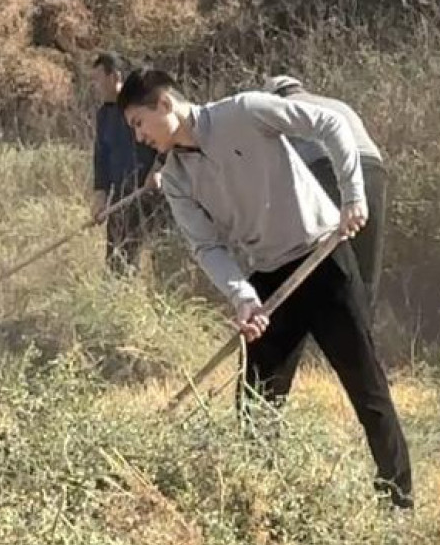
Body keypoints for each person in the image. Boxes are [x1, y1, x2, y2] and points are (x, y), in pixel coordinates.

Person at [119, 68, 413, 508]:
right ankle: (262, 505)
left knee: (366, 389)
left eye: (138, 122)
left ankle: (398, 504)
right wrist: (242, 297)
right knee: (256, 405)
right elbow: (207, 247)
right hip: (269, 281)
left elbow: (329, 125)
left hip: (323, 259)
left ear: (164, 103)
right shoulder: (177, 180)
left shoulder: (245, 111)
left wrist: (353, 194)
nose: (139, 136)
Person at [264, 75, 388, 303]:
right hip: (373, 171)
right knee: (366, 267)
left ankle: (320, 325)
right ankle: (363, 329)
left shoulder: (276, 111)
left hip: (325, 168)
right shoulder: (340, 105)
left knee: (324, 266)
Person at [90, 52, 160, 274]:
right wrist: (100, 194)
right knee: (118, 263)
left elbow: (168, 143)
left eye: (98, 79)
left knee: (164, 256)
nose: (96, 86)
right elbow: (101, 157)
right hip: (122, 198)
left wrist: (158, 170)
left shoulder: (143, 107)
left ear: (115, 77)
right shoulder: (104, 115)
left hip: (155, 194)